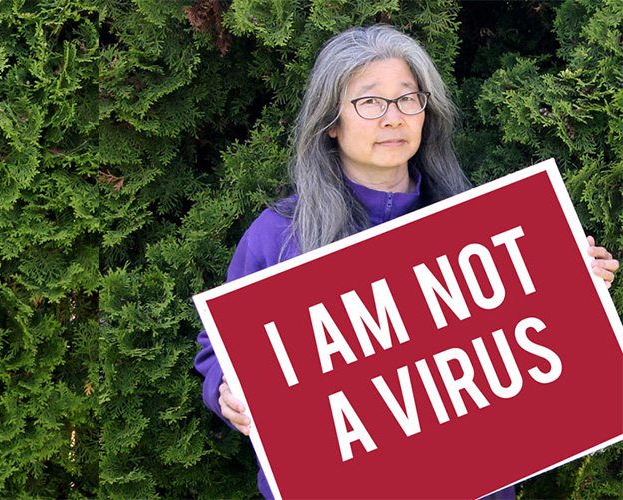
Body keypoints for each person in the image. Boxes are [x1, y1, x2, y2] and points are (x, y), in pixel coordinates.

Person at [194, 24, 619, 499]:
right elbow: (219, 348)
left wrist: (575, 284)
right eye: (370, 102)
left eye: (407, 99)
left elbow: (525, 353)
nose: (393, 118)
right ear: (331, 121)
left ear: (425, 111)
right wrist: (226, 390)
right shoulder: (277, 235)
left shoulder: (481, 222)